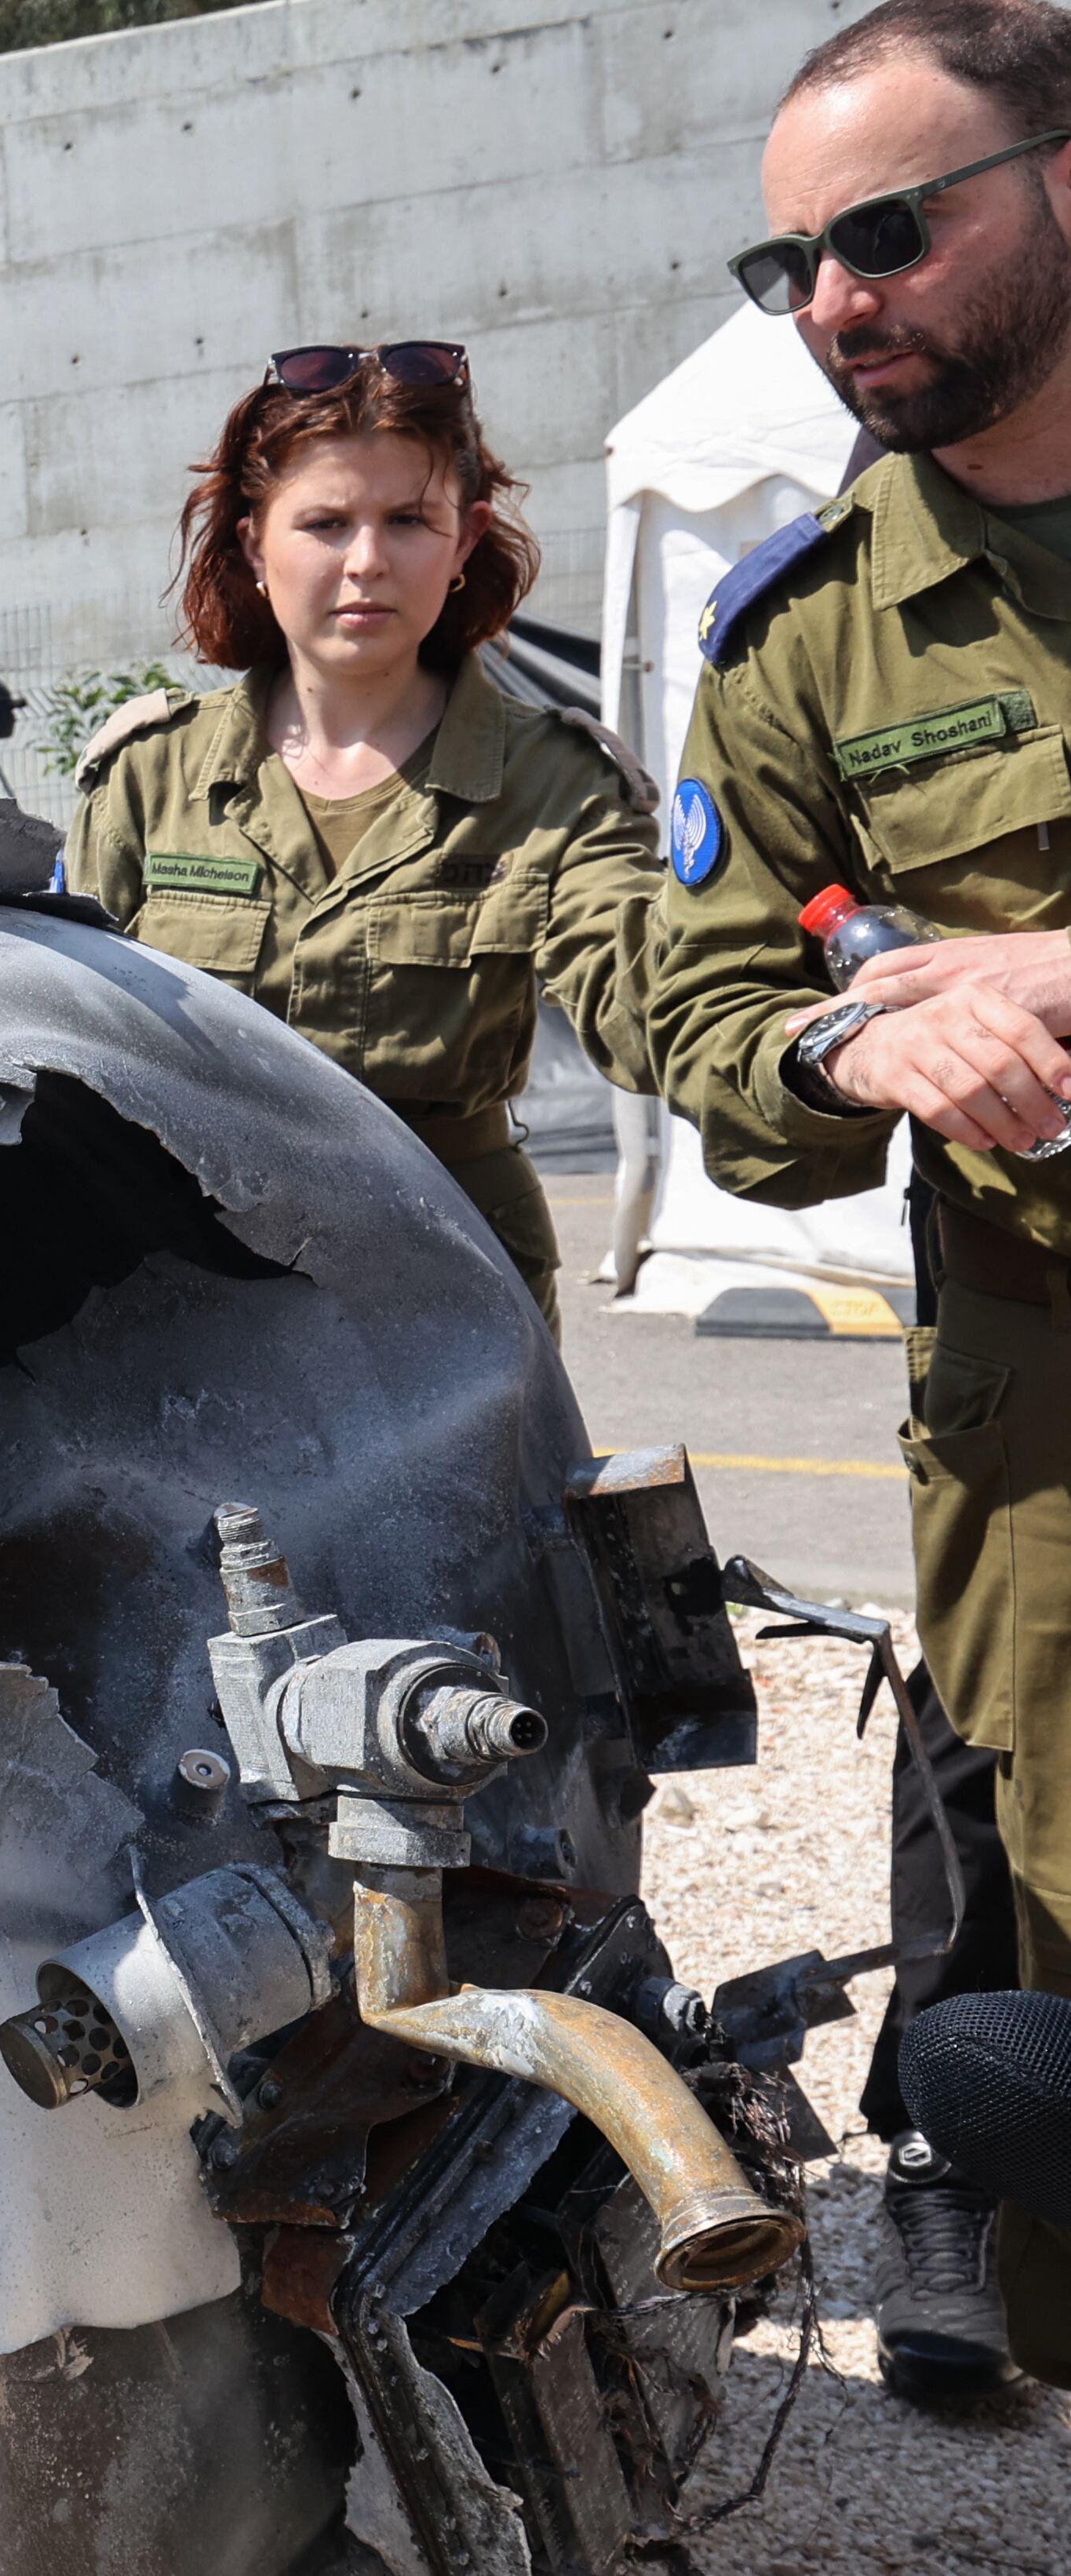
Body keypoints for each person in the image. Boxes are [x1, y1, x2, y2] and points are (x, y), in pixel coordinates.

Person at [650, 0, 1071, 2401]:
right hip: (1043, 1412)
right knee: (1045, 1932)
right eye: (788, 261)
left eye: (888, 231)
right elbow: (720, 1020)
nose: (835, 298)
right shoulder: (799, 643)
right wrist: (849, 1030)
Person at [67, 343, 665, 1336]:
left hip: (452, 1267)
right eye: (325, 523)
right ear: (253, 544)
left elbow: (648, 995)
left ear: (466, 537)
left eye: (408, 520)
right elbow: (75, 1043)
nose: (366, 562)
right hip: (191, 1264)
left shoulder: (557, 782)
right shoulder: (147, 774)